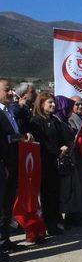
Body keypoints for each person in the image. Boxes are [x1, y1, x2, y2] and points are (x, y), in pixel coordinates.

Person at [0, 78, 34, 251]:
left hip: (13, 163)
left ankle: (5, 241)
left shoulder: (8, 111)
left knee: (7, 205)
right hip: (3, 164)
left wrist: (20, 136)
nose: (11, 92)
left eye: (11, 89)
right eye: (7, 89)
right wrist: (16, 137)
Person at [29, 92, 69, 235]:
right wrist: (58, 151)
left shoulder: (55, 120)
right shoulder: (35, 121)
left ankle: (57, 221)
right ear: (41, 104)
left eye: (54, 102)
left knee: (56, 193)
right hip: (44, 163)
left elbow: (64, 136)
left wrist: (65, 146)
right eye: (50, 102)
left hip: (57, 162)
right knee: (47, 195)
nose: (53, 105)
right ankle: (49, 224)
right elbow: (42, 142)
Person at [54, 96, 82, 227]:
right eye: (69, 106)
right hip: (62, 159)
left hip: (70, 159)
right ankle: (59, 219)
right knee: (63, 189)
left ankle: (72, 216)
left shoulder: (64, 120)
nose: (72, 109)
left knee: (72, 188)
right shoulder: (56, 121)